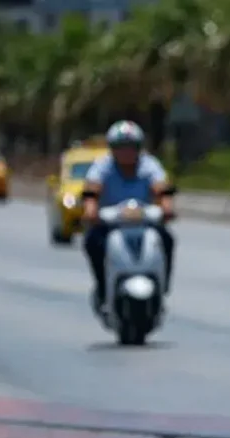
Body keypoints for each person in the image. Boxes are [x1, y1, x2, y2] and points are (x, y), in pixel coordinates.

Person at [80, 120, 177, 313]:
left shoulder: (149, 165)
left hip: (144, 222)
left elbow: (161, 188)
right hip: (111, 224)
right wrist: (90, 210)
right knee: (92, 242)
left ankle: (161, 286)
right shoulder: (103, 166)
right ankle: (103, 287)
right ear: (112, 149)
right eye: (121, 147)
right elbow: (92, 190)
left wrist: (167, 207)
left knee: (167, 239)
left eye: (131, 147)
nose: (126, 152)